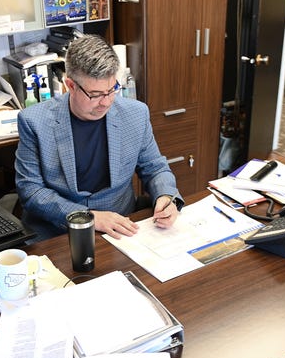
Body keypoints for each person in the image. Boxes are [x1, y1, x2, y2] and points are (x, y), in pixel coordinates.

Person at [15, 34, 183, 242]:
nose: (106, 102)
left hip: (121, 227)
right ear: (71, 86)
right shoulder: (34, 121)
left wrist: (166, 196)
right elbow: (31, 192)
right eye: (95, 94)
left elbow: (155, 167)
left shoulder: (135, 114)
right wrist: (89, 217)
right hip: (57, 232)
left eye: (111, 90)